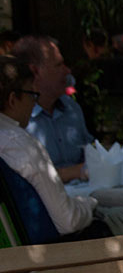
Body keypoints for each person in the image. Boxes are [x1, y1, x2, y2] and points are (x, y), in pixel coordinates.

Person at [0, 56, 106, 240]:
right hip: (54, 252)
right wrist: (91, 204)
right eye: (31, 95)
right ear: (12, 100)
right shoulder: (19, 143)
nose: (34, 102)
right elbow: (69, 221)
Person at [12, 35, 94, 183]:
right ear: (35, 71)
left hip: (87, 198)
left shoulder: (71, 107)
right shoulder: (17, 118)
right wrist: (74, 172)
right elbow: (24, 178)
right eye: (59, 65)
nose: (67, 71)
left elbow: (90, 152)